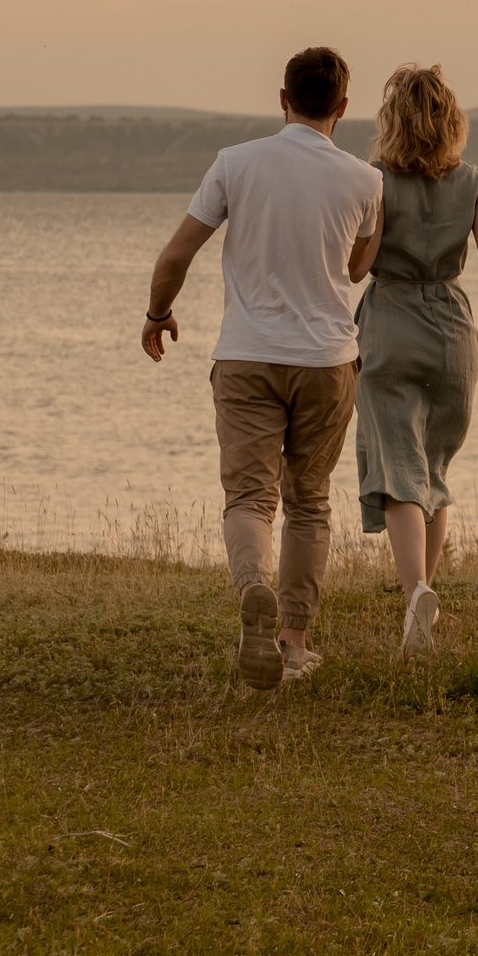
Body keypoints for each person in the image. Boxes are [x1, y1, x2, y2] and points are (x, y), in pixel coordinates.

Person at [140, 47, 382, 690]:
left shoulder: (235, 163)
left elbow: (175, 256)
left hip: (246, 355)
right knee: (308, 503)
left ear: (283, 99)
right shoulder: (365, 180)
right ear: (343, 108)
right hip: (327, 361)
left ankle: (253, 587)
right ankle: (293, 645)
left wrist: (158, 312)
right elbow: (358, 270)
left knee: (249, 496)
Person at [353, 63, 478, 655]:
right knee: (433, 469)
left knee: (397, 469)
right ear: (451, 120)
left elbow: (359, 266)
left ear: (392, 120)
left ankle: (416, 592)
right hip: (453, 332)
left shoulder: (375, 180)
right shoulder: (476, 182)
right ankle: (424, 599)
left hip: (390, 322)